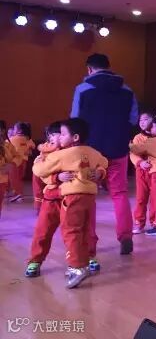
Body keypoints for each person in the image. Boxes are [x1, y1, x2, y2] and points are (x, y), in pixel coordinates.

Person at [70, 53, 138, 255]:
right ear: (109, 67)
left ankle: (90, 243)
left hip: (90, 151)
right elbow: (133, 119)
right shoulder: (127, 90)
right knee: (119, 194)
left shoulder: (82, 89)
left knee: (88, 194)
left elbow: (75, 120)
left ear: (89, 69)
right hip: (118, 148)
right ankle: (125, 236)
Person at [31, 118, 108, 289]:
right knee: (44, 230)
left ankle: (79, 265)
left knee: (74, 231)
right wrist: (56, 177)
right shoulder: (88, 152)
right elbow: (103, 161)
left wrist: (100, 172)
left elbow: (39, 169)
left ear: (74, 137)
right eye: (52, 136)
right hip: (59, 197)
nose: (56, 138)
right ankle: (36, 260)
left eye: (61, 134)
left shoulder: (61, 155)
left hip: (71, 197)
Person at [8, 121, 35, 203]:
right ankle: (18, 193)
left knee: (13, 178)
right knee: (19, 178)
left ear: (19, 130)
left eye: (14, 128)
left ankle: (18, 194)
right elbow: (33, 146)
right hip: (23, 162)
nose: (13, 130)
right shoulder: (27, 139)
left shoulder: (12, 139)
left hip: (14, 162)